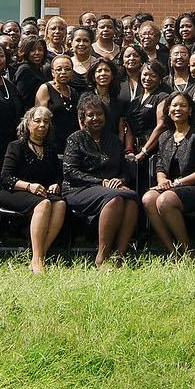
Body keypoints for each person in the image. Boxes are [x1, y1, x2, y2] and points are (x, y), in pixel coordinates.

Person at [63, 94, 140, 267]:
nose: (95, 118)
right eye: (90, 115)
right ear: (83, 118)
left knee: (132, 199)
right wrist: (101, 182)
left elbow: (125, 171)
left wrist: (120, 180)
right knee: (115, 199)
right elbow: (69, 171)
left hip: (111, 189)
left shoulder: (113, 140)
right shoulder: (76, 139)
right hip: (78, 189)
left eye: (99, 114)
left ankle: (119, 256)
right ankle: (102, 257)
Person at [143, 91, 195, 255]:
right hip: (172, 187)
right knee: (148, 199)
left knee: (164, 200)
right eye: (174, 105)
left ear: (190, 110)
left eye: (183, 105)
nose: (178, 109)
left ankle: (187, 250)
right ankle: (173, 252)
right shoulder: (164, 137)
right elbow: (160, 165)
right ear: (168, 110)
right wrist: (162, 180)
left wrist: (179, 183)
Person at [0, 106, 68, 273]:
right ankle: (36, 259)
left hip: (41, 193)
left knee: (60, 204)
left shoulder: (50, 148)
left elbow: (57, 176)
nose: (42, 125)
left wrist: (55, 184)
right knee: (44, 205)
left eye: (46, 122)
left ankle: (40, 253)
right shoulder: (16, 146)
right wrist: (29, 186)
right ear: (28, 124)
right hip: (14, 191)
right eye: (37, 121)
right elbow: (5, 178)